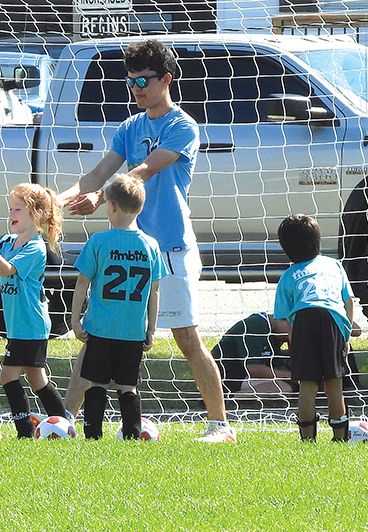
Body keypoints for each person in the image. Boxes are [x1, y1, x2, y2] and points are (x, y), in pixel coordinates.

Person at [58, 39, 235, 442]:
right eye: (130, 81)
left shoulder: (181, 125)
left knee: (186, 336)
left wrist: (101, 197)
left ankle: (220, 425)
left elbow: (144, 171)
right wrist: (55, 201)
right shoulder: (129, 126)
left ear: (166, 79)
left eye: (143, 80)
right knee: (100, 332)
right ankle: (63, 420)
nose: (136, 88)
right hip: (128, 246)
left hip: (169, 248)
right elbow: (95, 174)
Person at [69, 174, 165, 439]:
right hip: (133, 331)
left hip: (99, 328)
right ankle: (133, 436)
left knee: (95, 383)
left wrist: (75, 320)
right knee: (127, 386)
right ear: (140, 208)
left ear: (110, 206)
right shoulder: (151, 245)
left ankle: (93, 436)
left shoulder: (99, 242)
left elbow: (82, 284)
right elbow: (154, 292)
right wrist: (152, 329)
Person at [0, 183, 67, 438]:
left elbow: (7, 269)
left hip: (31, 323)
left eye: (18, 209)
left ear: (37, 214)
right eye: (11, 208)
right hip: (20, 324)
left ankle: (25, 430)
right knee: (37, 379)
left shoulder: (35, 247)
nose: (11, 214)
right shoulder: (8, 241)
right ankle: (63, 423)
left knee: (8, 376)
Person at [273, 214, 356, 442]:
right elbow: (348, 301)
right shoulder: (334, 265)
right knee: (334, 384)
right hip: (332, 320)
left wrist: (294, 343)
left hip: (304, 321)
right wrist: (345, 336)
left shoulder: (288, 276)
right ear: (318, 241)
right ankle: (340, 437)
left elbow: (283, 319)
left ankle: (308, 439)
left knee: (307, 384)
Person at [210, 312, 293, 395]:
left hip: (243, 375)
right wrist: (290, 376)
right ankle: (231, 398)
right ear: (285, 320)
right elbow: (253, 369)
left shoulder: (276, 333)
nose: (287, 339)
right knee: (283, 387)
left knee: (288, 383)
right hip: (227, 375)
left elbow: (276, 365)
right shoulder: (257, 325)